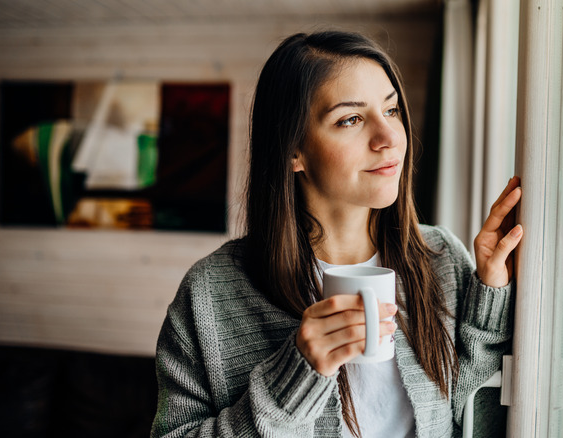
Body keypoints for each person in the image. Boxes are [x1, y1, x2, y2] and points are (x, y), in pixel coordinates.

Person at [151, 30, 523, 438]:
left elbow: (477, 419)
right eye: (351, 119)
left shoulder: (442, 258)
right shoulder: (210, 293)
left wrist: (490, 292)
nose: (389, 139)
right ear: (293, 150)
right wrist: (293, 378)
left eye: (391, 110)